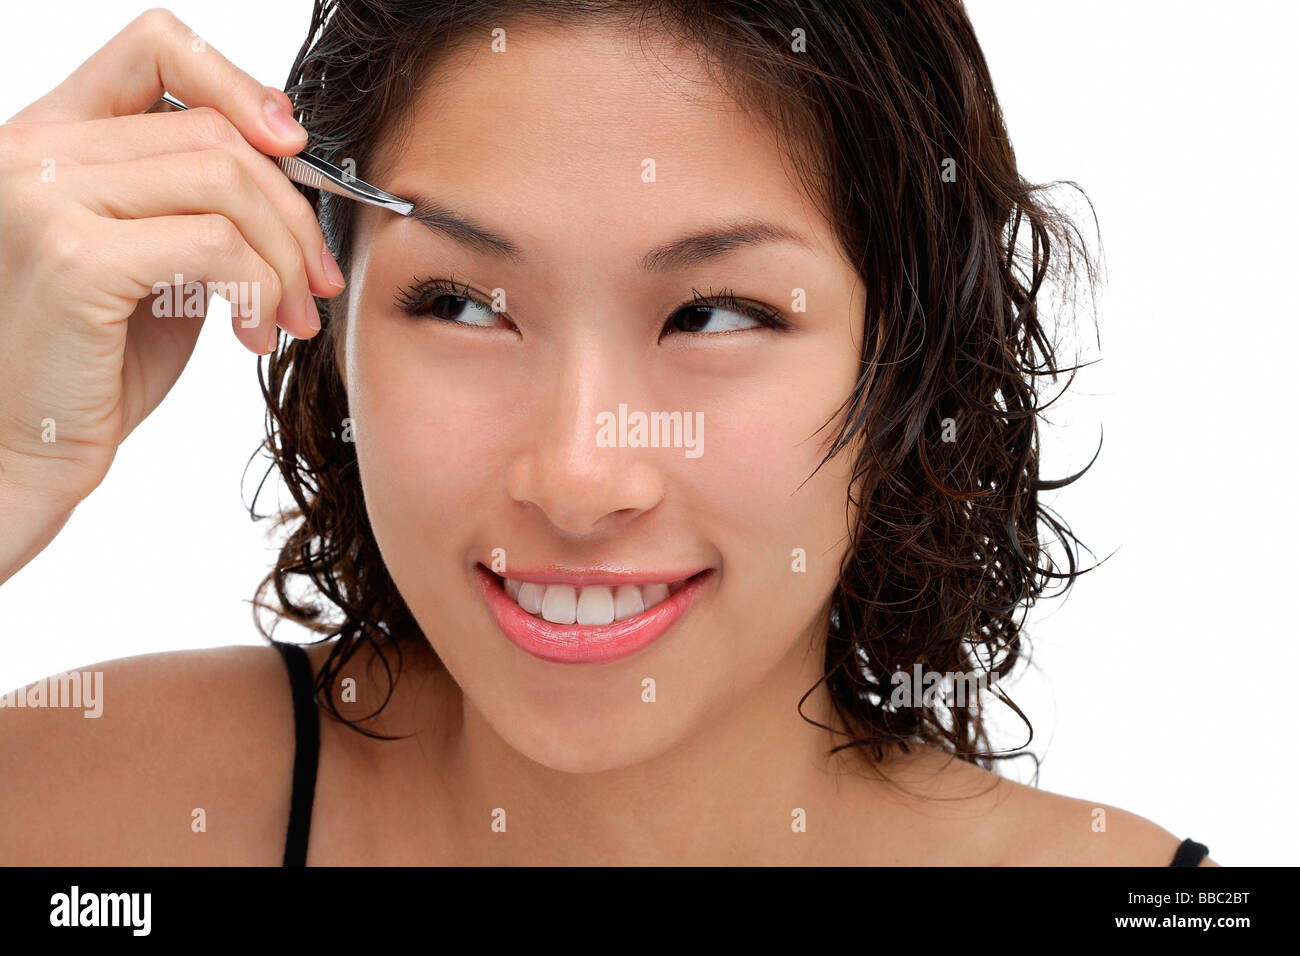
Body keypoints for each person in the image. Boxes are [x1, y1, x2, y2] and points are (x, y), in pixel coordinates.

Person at [0, 2, 1215, 866]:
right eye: (465, 303)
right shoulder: (82, 810)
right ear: (322, 307)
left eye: (715, 313)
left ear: (908, 354)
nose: (578, 475)